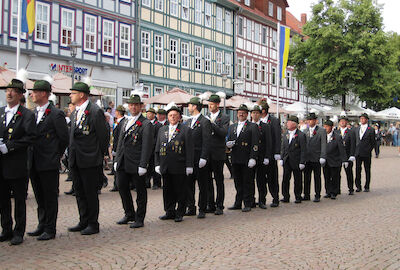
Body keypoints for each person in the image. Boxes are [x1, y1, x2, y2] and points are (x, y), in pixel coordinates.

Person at [27, 79, 69, 241]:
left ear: (43, 93)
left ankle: (50, 228)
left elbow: (63, 138)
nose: (32, 94)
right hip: (34, 161)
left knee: (50, 196)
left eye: (35, 92)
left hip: (48, 162)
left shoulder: (55, 113)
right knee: (39, 195)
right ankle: (41, 224)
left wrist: (55, 154)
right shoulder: (34, 113)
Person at [67, 82, 109, 235]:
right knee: (79, 191)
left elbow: (103, 135)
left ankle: (93, 223)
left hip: (90, 159)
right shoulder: (75, 112)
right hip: (76, 159)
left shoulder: (94, 111)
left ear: (82, 95)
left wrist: (99, 155)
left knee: (90, 192)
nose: (70, 95)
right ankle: (83, 220)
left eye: (73, 93)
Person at [0, 76, 36, 245]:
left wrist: (10, 146)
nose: (9, 93)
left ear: (21, 95)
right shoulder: (1, 112)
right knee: (2, 200)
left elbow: (31, 137)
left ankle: (18, 231)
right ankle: (6, 228)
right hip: (1, 164)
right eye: (8, 91)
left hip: (18, 164)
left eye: (13, 91)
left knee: (19, 200)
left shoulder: (27, 115)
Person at [114, 94, 154, 228]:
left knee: (140, 191)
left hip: (137, 162)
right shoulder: (125, 121)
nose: (133, 107)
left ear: (141, 107)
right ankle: (129, 213)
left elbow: (147, 145)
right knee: (122, 187)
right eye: (131, 105)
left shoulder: (146, 123)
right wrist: (117, 159)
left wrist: (143, 164)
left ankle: (140, 217)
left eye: (136, 105)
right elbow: (120, 141)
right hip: (123, 161)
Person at [155, 103, 194, 222]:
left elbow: (189, 149)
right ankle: (169, 211)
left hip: (179, 165)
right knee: (167, 190)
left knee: (180, 190)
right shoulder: (162, 130)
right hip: (165, 165)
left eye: (175, 115)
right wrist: (157, 164)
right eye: (170, 115)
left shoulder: (185, 130)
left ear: (179, 117)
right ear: (167, 117)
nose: (172, 117)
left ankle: (180, 212)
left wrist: (189, 165)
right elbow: (157, 148)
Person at [226, 104, 259, 212]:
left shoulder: (252, 126)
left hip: (246, 158)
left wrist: (253, 157)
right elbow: (229, 141)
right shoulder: (232, 127)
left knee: (247, 182)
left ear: (247, 114)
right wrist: (228, 145)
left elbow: (255, 143)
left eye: (243, 112)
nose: (241, 114)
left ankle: (248, 203)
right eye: (239, 112)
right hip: (235, 158)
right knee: (237, 181)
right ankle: (238, 202)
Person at [185, 97, 211, 218]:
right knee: (189, 184)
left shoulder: (205, 121)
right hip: (190, 158)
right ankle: (191, 207)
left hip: (200, 157)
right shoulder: (189, 121)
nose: (188, 107)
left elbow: (207, 140)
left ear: (195, 106)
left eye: (189, 105)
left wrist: (204, 157)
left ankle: (202, 208)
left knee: (202, 185)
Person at [206, 94, 230, 215]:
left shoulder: (224, 117)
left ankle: (219, 205)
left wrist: (212, 124)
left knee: (219, 180)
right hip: (207, 153)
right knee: (208, 180)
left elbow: (223, 133)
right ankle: (210, 204)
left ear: (217, 105)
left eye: (212, 104)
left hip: (218, 153)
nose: (210, 106)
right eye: (209, 104)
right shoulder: (206, 117)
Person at [259, 99, 281, 207]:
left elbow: (277, 137)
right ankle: (261, 199)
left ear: (264, 110)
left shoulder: (274, 121)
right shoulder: (256, 121)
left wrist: (277, 151)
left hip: (271, 154)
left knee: (272, 178)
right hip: (260, 154)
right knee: (261, 178)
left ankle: (275, 198)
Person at [249, 104, 272, 209]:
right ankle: (251, 200)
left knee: (261, 180)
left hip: (262, 157)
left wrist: (267, 156)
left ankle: (262, 200)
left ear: (260, 114)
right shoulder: (248, 125)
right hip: (251, 157)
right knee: (250, 180)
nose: (255, 115)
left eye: (257, 113)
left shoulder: (265, 126)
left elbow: (268, 142)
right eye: (253, 113)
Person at [280, 115, 307, 204]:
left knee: (298, 180)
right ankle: (285, 196)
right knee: (285, 179)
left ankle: (298, 196)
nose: (287, 124)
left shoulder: (301, 135)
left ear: (294, 124)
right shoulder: (286, 134)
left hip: (296, 160)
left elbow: (303, 149)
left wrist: (302, 161)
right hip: (287, 160)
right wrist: (281, 157)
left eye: (289, 122)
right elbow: (283, 146)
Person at [303, 113, 327, 202]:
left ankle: (317, 194)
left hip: (317, 157)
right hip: (307, 158)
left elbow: (323, 144)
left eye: (311, 120)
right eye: (308, 120)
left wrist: (323, 156)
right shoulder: (305, 131)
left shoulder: (321, 131)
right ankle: (306, 194)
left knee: (317, 177)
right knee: (306, 177)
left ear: (315, 121)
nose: (309, 122)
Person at [322, 120, 347, 200]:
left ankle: (334, 192)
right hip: (326, 160)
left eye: (327, 126)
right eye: (324, 126)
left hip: (335, 160)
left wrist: (344, 160)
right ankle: (328, 191)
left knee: (334, 177)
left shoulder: (337, 136)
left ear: (331, 127)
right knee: (326, 177)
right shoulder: (322, 136)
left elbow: (341, 149)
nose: (325, 128)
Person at [354, 113, 375, 192]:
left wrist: (369, 149)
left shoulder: (371, 129)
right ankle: (358, 186)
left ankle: (367, 186)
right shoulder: (357, 129)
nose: (362, 120)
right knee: (358, 170)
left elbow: (373, 142)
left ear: (366, 120)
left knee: (367, 170)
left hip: (366, 153)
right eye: (361, 118)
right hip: (358, 152)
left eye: (363, 119)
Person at [336, 116, 356, 195]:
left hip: (347, 155)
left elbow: (353, 144)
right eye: (341, 121)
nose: (342, 122)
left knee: (349, 173)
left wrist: (352, 155)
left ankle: (350, 188)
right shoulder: (336, 131)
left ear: (346, 122)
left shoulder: (350, 132)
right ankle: (337, 189)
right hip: (338, 155)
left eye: (344, 121)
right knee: (337, 173)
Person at [109, 105, 127, 192]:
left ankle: (117, 185)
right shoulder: (119, 122)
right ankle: (117, 184)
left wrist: (116, 149)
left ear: (118, 112)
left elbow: (120, 138)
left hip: (119, 149)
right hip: (116, 148)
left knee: (118, 168)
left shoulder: (123, 122)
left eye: (116, 111)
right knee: (116, 168)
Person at [145, 107, 162, 189]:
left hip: (154, 148)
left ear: (154, 115)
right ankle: (147, 182)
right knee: (147, 166)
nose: (148, 115)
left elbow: (158, 137)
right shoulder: (145, 123)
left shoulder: (158, 125)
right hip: (146, 149)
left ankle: (156, 183)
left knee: (155, 166)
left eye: (150, 113)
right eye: (147, 113)